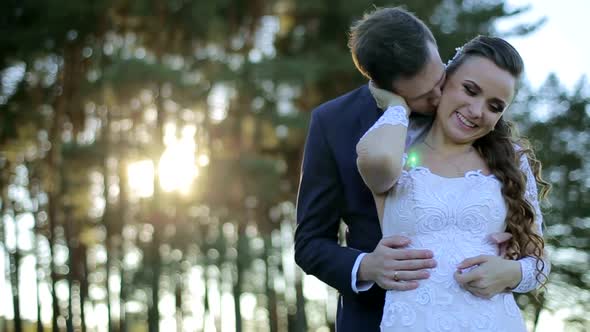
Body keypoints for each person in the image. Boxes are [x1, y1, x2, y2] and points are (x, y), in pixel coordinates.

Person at [294, 7, 519, 331]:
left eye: (441, 76)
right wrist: (367, 266)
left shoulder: (470, 110)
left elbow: (510, 201)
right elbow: (310, 243)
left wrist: (510, 253)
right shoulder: (334, 124)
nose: (441, 95)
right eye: (425, 95)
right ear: (386, 86)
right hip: (375, 316)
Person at [356, 35, 550, 331]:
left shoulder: (512, 161)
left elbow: (540, 264)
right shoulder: (397, 146)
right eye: (470, 90)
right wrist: (397, 104)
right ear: (443, 80)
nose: (476, 111)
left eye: (495, 106)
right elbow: (377, 164)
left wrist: (510, 272)